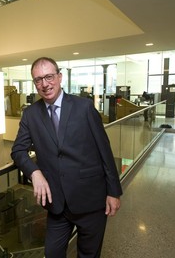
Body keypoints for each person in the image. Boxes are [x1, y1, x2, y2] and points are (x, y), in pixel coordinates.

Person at [11, 57, 122, 258]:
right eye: (38, 80)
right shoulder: (31, 114)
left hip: (91, 200)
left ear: (60, 77)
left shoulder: (84, 107)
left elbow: (104, 150)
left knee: (88, 254)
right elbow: (18, 150)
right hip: (57, 203)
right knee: (52, 253)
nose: (44, 84)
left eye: (49, 77)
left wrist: (113, 192)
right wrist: (34, 173)